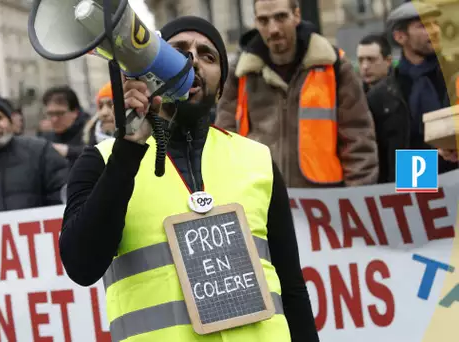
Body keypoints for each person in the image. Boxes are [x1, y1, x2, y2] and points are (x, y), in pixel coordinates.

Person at [61, 16, 318, 342]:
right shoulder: (101, 160)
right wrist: (127, 152)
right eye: (177, 50)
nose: (192, 59)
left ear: (221, 85)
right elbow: (81, 266)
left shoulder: (258, 160)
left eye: (208, 56)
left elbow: (292, 286)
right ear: (150, 69)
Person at [215, 0, 378, 188]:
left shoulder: (334, 65)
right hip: (263, 198)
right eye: (264, 20)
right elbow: (225, 140)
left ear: (297, 16)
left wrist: (356, 198)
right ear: (256, 23)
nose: (273, 28)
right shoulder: (241, 73)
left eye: (281, 17)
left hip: (324, 201)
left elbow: (358, 137)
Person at [367, 1, 459, 183]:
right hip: (413, 180)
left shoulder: (454, 76)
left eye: (435, 24)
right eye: (424, 25)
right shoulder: (382, 95)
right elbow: (380, 156)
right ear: (400, 37)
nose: (434, 30)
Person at [41, 86, 90, 167]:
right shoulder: (46, 137)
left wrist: (68, 151)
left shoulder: (91, 132)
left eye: (60, 113)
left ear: (75, 112)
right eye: (50, 114)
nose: (54, 119)